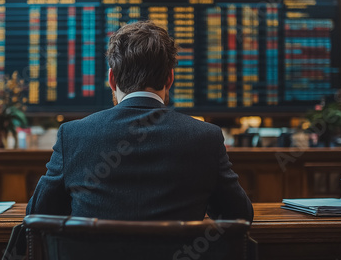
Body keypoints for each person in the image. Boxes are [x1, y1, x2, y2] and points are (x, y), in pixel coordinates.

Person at [26, 21, 253, 222]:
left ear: (112, 79)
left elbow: (37, 214)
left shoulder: (73, 135)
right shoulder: (206, 137)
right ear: (170, 78)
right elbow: (239, 215)